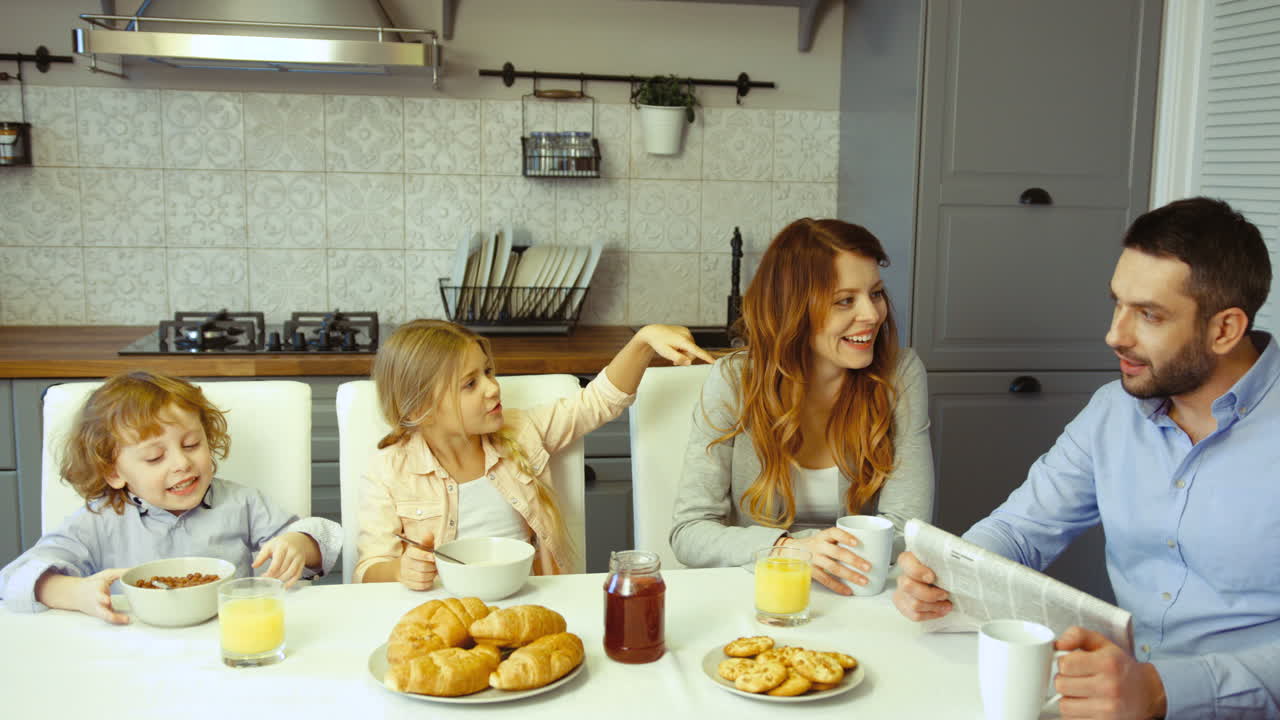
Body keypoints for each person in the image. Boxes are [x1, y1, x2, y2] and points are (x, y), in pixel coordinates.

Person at [893, 197, 1280, 719]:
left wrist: (1164, 688)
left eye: (1149, 314)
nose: (1114, 335)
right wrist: (944, 575)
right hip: (1109, 699)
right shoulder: (1113, 412)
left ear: (1225, 330)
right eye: (1117, 303)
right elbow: (1019, 531)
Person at [669, 218, 935, 594]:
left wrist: (823, 551)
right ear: (792, 310)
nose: (873, 315)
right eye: (846, 300)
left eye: (875, 293)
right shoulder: (733, 381)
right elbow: (689, 533)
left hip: (857, 592)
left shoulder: (899, 374)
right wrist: (789, 549)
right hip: (760, 591)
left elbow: (909, 529)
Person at [355, 319, 712, 590]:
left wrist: (644, 340)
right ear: (423, 407)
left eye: (488, 372)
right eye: (470, 384)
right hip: (442, 614)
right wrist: (401, 570)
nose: (493, 388)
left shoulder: (522, 432)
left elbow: (598, 401)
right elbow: (370, 566)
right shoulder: (389, 469)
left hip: (532, 600)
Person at [0, 371, 342, 622]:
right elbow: (15, 579)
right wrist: (75, 593)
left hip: (231, 643)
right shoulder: (97, 521)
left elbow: (323, 542)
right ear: (113, 472)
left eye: (192, 444)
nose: (182, 463)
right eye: (154, 457)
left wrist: (298, 544)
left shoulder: (241, 504)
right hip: (134, 654)